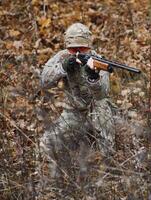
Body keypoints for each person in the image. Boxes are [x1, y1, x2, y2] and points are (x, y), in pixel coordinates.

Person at [39, 23, 115, 178]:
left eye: (82, 49)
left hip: (98, 109)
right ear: (67, 48)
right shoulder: (62, 57)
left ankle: (106, 179)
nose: (78, 52)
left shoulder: (97, 60)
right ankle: (55, 176)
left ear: (89, 46)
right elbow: (44, 82)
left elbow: (103, 93)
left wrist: (93, 77)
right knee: (47, 142)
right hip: (74, 111)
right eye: (73, 49)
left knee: (107, 150)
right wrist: (63, 68)